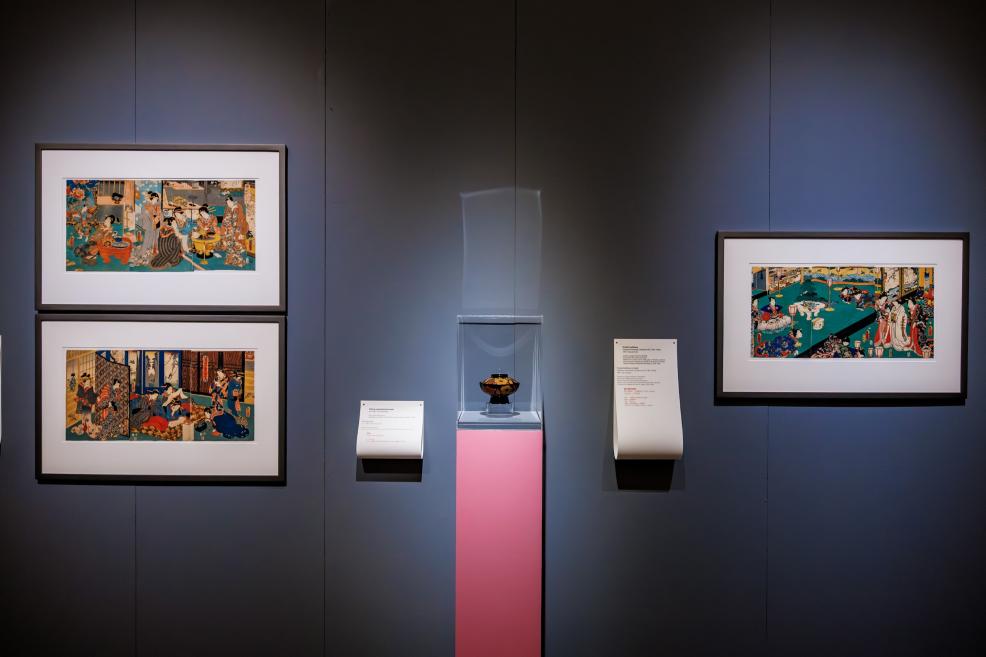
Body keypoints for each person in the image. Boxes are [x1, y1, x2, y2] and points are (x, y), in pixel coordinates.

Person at [132, 190, 162, 264]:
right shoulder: (146, 206)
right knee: (147, 240)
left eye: (157, 199)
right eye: (154, 199)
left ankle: (150, 253)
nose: (156, 200)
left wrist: (159, 218)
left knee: (154, 239)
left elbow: (161, 216)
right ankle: (142, 254)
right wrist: (152, 217)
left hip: (156, 225)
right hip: (149, 225)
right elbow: (144, 216)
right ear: (151, 198)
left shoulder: (158, 206)